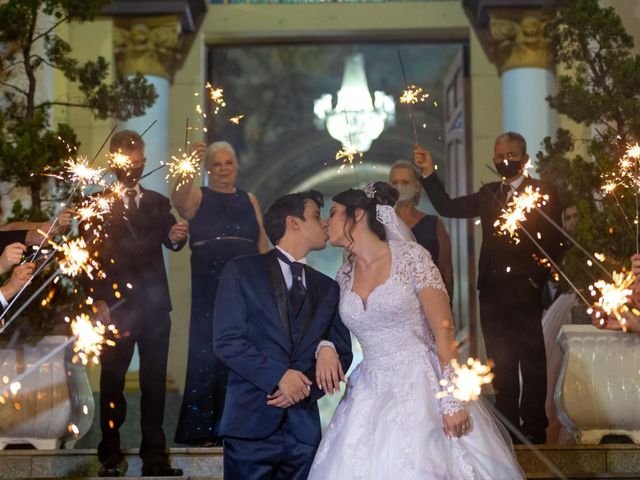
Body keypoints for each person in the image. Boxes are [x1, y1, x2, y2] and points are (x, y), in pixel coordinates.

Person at [309, 181, 524, 479]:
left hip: (422, 382)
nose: (326, 222)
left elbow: (443, 330)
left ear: (358, 215)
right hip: (368, 388)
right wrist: (326, 347)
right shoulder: (344, 274)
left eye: (333, 213)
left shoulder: (412, 258)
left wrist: (451, 398)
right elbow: (330, 326)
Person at [415, 132, 564, 444]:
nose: (502, 160)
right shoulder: (488, 194)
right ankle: (509, 428)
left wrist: (538, 278)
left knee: (531, 358)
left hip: (526, 289)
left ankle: (535, 429)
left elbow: (555, 241)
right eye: (498, 156)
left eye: (509, 154)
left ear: (524, 157)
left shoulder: (544, 192)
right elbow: (447, 206)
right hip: (492, 291)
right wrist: (429, 172)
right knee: (500, 360)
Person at [213, 190, 352, 480]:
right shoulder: (241, 271)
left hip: (303, 433)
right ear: (294, 222)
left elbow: (342, 349)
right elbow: (227, 342)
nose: (325, 223)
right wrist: (279, 377)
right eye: (316, 215)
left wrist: (305, 386)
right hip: (250, 426)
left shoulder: (329, 288)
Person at [83, 130, 188, 478]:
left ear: (144, 159)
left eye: (139, 157)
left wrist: (176, 236)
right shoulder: (95, 204)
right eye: (127, 158)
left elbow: (173, 239)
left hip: (156, 308)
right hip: (115, 308)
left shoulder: (158, 203)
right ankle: (110, 457)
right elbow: (87, 258)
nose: (135, 163)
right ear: (114, 161)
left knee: (154, 383)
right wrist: (96, 299)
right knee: (112, 381)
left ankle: (155, 460)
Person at [172, 140, 269, 446]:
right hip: (209, 285)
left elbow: (262, 243)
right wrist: (188, 164)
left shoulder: (249, 198)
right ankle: (203, 430)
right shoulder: (198, 195)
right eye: (217, 164)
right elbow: (179, 201)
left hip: (246, 287)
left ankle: (238, 427)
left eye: (228, 163)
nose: (224, 169)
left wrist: (270, 283)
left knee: (242, 352)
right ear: (207, 168)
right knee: (207, 351)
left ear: (237, 166)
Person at [389, 159, 453, 296]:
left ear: (416, 186)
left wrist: (448, 304)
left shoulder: (434, 224)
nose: (399, 186)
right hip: (393, 296)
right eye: (395, 183)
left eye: (405, 182)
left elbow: (445, 268)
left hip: (429, 295)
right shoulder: (382, 224)